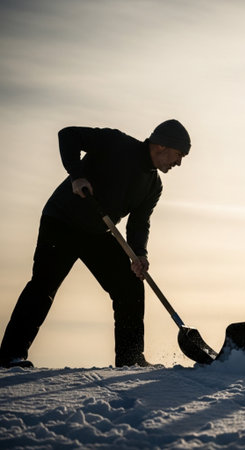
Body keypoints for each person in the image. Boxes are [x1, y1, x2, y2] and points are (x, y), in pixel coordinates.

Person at [0, 119, 191, 368]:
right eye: (178, 155)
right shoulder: (116, 143)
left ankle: (130, 359)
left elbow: (138, 224)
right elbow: (67, 135)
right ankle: (9, 356)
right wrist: (77, 176)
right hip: (62, 221)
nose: (178, 162)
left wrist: (139, 255)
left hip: (96, 232)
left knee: (129, 286)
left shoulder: (153, 185)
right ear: (161, 146)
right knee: (43, 286)